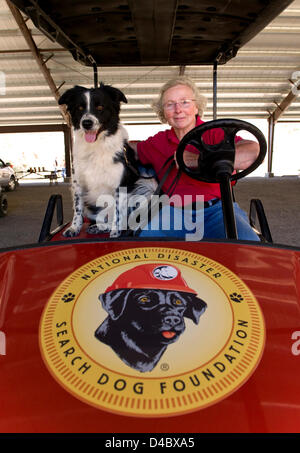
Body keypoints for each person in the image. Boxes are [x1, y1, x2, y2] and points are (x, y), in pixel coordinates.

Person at [130, 76, 260, 241]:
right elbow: (130, 149)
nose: (178, 110)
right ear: (163, 112)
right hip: (174, 212)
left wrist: (197, 160)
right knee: (142, 246)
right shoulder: (157, 142)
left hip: (217, 210)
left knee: (247, 246)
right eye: (170, 104)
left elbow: (253, 152)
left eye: (185, 102)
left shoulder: (214, 133)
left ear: (196, 106)